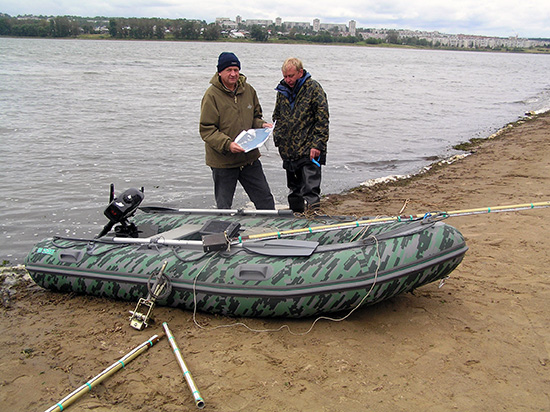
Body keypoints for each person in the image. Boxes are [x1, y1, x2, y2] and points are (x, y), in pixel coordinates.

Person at [200, 52, 275, 210]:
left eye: (236, 69)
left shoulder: (248, 90)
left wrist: (262, 125)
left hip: (249, 158)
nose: (233, 74)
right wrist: (228, 144)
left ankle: (272, 231)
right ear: (220, 72)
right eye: (229, 70)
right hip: (223, 161)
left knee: (265, 200)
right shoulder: (211, 95)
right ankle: (224, 233)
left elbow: (255, 117)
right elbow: (207, 130)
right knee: (224, 206)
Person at [272, 57, 329, 213]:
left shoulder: (314, 89)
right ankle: (296, 218)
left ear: (300, 72)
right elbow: (277, 116)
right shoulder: (282, 91)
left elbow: (322, 119)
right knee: (294, 190)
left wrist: (317, 145)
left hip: (310, 149)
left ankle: (313, 217)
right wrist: (277, 138)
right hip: (289, 150)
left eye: (291, 76)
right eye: (285, 76)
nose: (288, 80)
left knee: (310, 189)